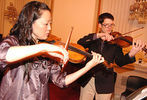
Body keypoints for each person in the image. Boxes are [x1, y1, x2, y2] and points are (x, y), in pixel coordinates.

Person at [0, 1, 104, 100]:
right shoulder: (14, 41)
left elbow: (62, 81)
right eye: (46, 24)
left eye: (51, 23)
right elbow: (3, 54)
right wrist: (43, 48)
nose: (50, 28)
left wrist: (88, 67)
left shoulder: (48, 55)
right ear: (29, 23)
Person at [77, 12, 146, 100]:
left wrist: (132, 53)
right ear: (99, 25)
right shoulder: (93, 39)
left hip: (105, 82)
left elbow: (120, 62)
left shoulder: (116, 42)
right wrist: (99, 35)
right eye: (106, 25)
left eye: (112, 25)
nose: (109, 28)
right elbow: (80, 42)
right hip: (88, 79)